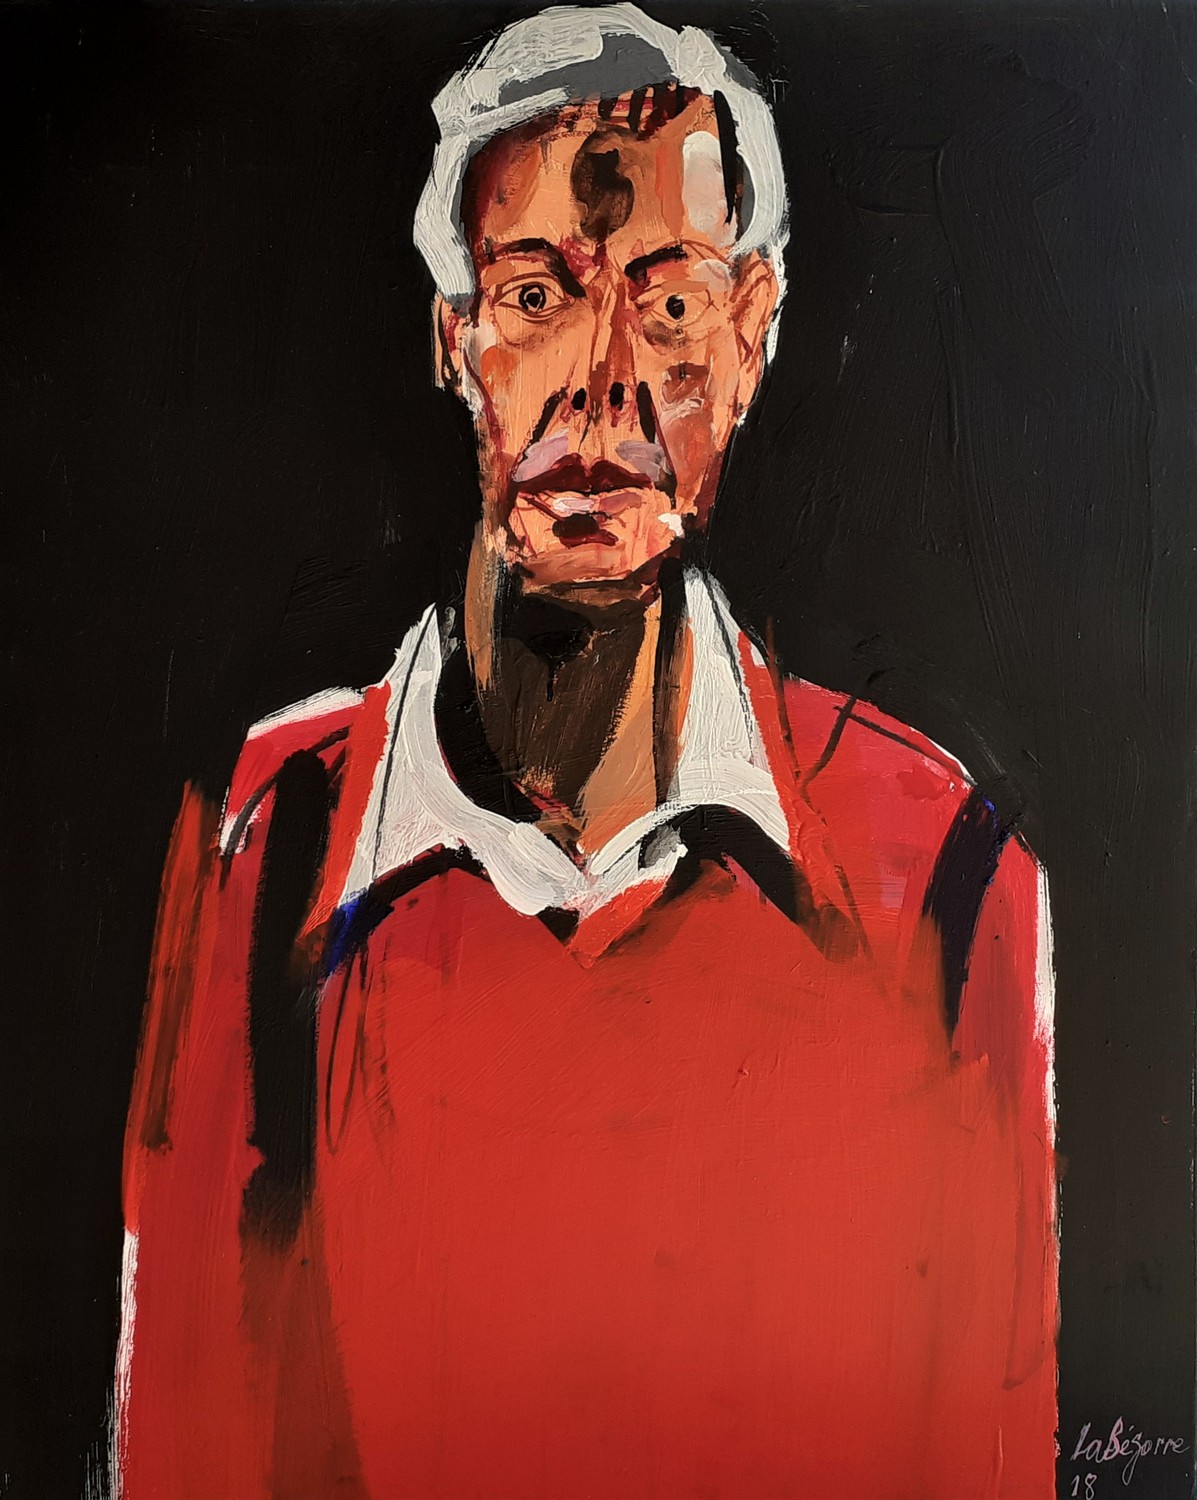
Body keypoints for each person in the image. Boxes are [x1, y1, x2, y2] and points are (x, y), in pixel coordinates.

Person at [116, 7, 1057, 1496]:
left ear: (751, 341)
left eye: (668, 305)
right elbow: (188, 1447)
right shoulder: (266, 838)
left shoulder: (942, 872)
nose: (599, 382)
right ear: (455, 342)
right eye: (536, 295)